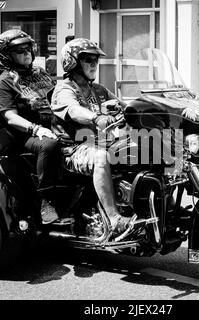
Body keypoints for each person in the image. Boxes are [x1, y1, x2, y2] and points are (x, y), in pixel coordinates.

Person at [51, 38, 134, 238]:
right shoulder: (64, 89)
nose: (93, 63)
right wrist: (96, 117)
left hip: (101, 143)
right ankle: (114, 219)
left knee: (146, 148)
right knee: (101, 157)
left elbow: (125, 106)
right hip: (73, 150)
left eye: (95, 59)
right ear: (72, 62)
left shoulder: (98, 90)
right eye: (87, 59)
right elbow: (73, 110)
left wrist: (147, 109)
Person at [0, 29, 62, 225]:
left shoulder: (39, 73)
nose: (27, 53)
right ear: (7, 55)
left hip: (52, 125)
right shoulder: (5, 81)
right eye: (20, 50)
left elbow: (56, 98)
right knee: (48, 145)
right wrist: (35, 129)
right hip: (23, 135)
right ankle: (46, 201)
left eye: (28, 48)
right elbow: (9, 117)